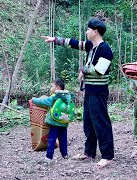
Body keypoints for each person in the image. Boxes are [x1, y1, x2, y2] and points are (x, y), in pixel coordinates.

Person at [41, 18, 114, 168]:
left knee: (100, 122)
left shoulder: (105, 49)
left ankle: (107, 155)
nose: (86, 32)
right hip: (89, 90)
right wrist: (54, 39)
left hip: (99, 92)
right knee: (88, 122)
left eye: (88, 29)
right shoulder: (91, 46)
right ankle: (89, 152)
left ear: (95, 31)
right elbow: (74, 43)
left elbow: (100, 70)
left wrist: (83, 70)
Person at [32, 78, 73, 162]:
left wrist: (33, 99)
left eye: (51, 86)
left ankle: (49, 157)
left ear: (57, 88)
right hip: (64, 122)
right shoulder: (67, 95)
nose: (50, 89)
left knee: (51, 139)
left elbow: (44, 102)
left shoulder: (55, 96)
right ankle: (65, 154)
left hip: (54, 123)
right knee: (63, 139)